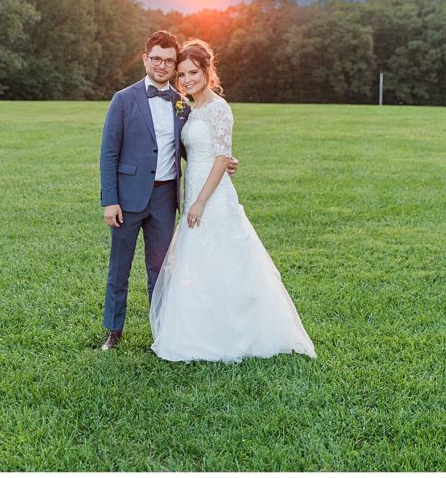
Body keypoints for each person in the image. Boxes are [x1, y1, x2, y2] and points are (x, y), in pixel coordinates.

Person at [149, 39, 316, 363]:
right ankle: (196, 328)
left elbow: (220, 156)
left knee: (224, 257)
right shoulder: (190, 107)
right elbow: (200, 150)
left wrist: (199, 202)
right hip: (195, 186)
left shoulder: (218, 108)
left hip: (212, 196)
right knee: (195, 259)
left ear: (207, 71)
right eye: (182, 74)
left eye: (193, 72)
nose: (186, 80)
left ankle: (233, 330)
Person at [98, 30, 237, 351]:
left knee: (160, 269)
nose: (162, 66)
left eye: (169, 61)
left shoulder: (180, 102)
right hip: (128, 199)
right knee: (119, 267)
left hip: (165, 199)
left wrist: (226, 159)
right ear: (145, 59)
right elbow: (109, 153)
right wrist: (110, 200)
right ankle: (113, 331)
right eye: (156, 59)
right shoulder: (123, 99)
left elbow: (190, 144)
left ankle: (162, 328)